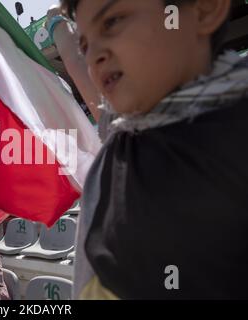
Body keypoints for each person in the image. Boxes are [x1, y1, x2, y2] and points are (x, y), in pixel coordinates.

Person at [58, 0, 248, 299]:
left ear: (205, 9)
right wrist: (59, 30)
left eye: (112, 22)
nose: (94, 56)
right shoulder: (125, 132)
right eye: (85, 44)